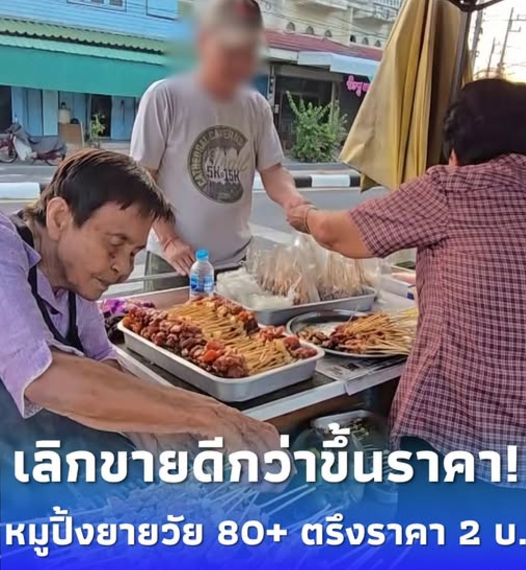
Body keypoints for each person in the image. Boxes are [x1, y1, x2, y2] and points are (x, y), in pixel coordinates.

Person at [287, 78, 526, 523]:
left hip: (462, 440)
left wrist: (304, 215)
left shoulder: (454, 189)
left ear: (457, 146)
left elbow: (337, 234)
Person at [0, 149, 279, 518]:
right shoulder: (4, 248)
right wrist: (205, 415)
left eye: (133, 253)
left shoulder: (75, 279)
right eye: (114, 246)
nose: (123, 269)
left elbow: (106, 368)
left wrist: (172, 443)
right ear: (59, 217)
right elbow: (44, 376)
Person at [130, 0, 308, 290]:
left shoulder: (256, 106)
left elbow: (273, 170)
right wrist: (169, 239)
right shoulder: (165, 97)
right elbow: (141, 179)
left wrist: (294, 201)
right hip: (175, 260)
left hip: (235, 265)